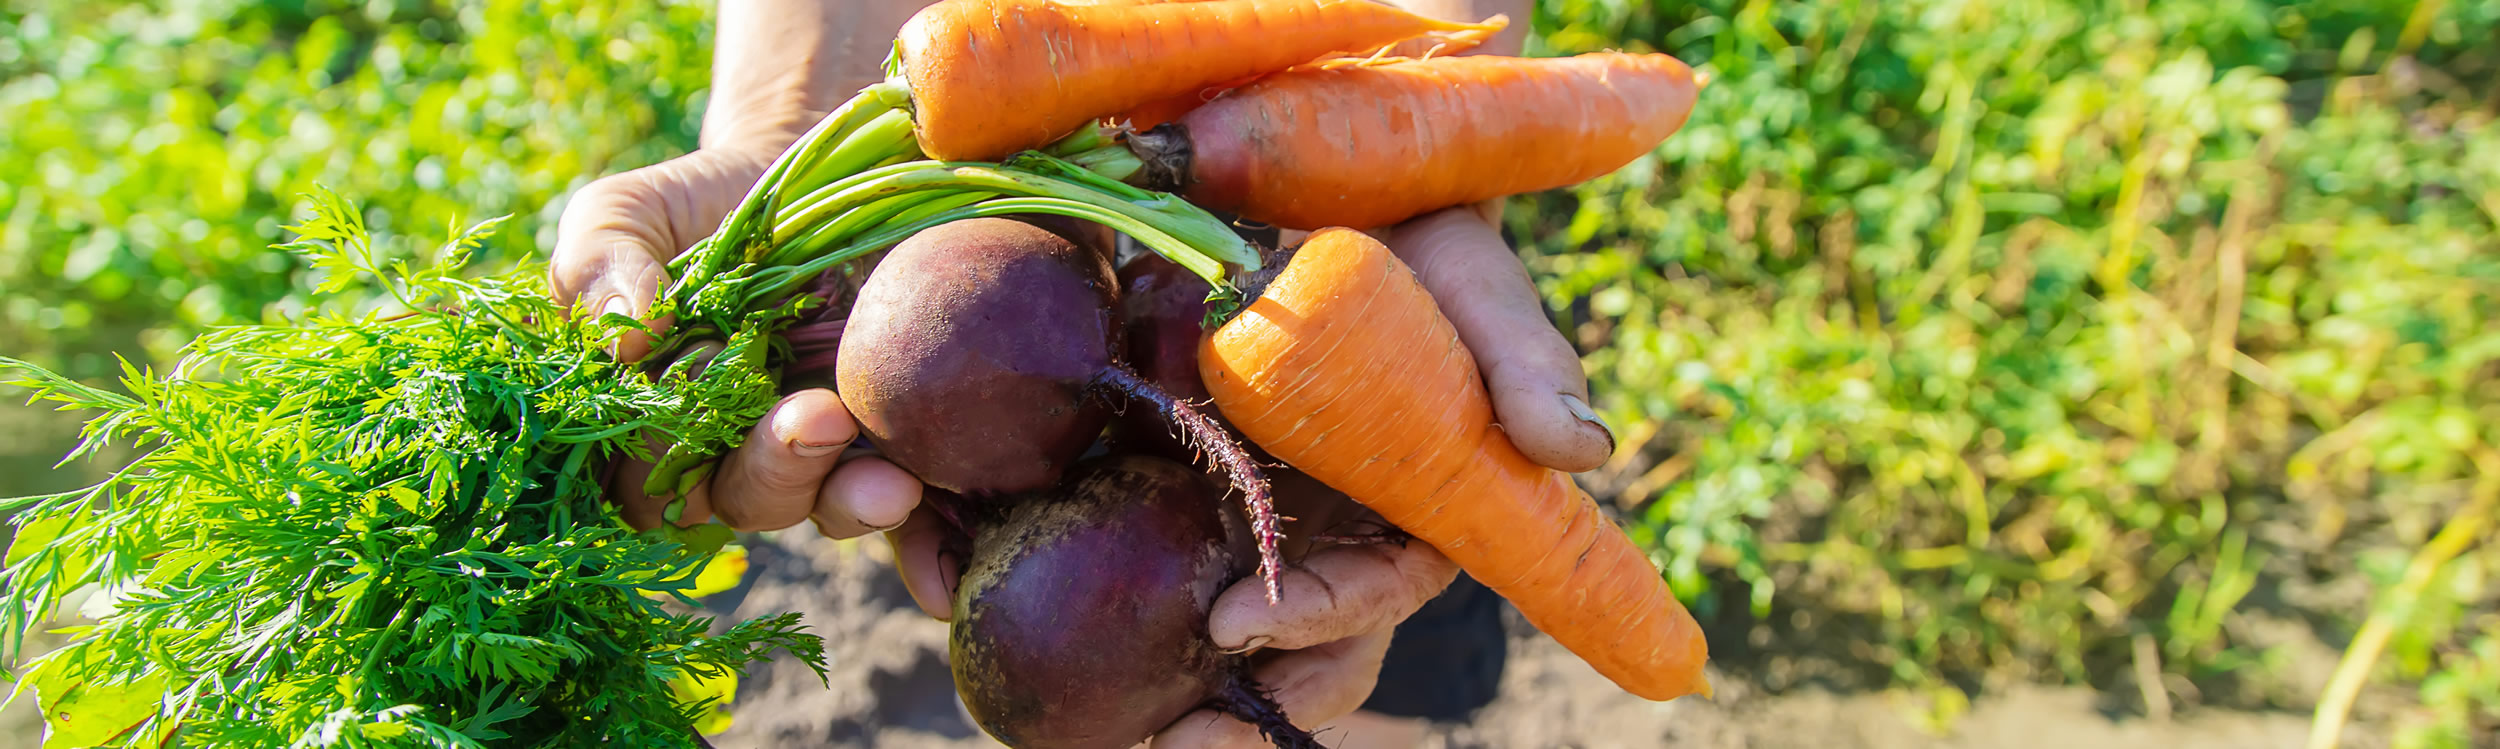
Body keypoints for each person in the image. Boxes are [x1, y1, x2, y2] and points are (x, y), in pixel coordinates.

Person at [547, 0, 1610, 745]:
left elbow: (1424, 39)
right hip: (1015, 196)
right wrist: (794, 118)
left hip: (1313, 279)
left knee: (1353, 594)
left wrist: (1411, 117)